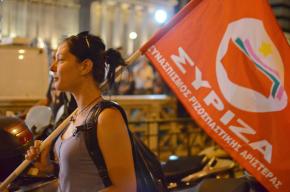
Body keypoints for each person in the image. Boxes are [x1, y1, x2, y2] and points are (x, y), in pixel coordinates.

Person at [25, 31, 137, 192]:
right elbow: (81, 174)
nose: (52, 67)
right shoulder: (76, 115)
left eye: (60, 60)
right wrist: (49, 168)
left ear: (85, 66)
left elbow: (126, 188)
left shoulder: (107, 117)